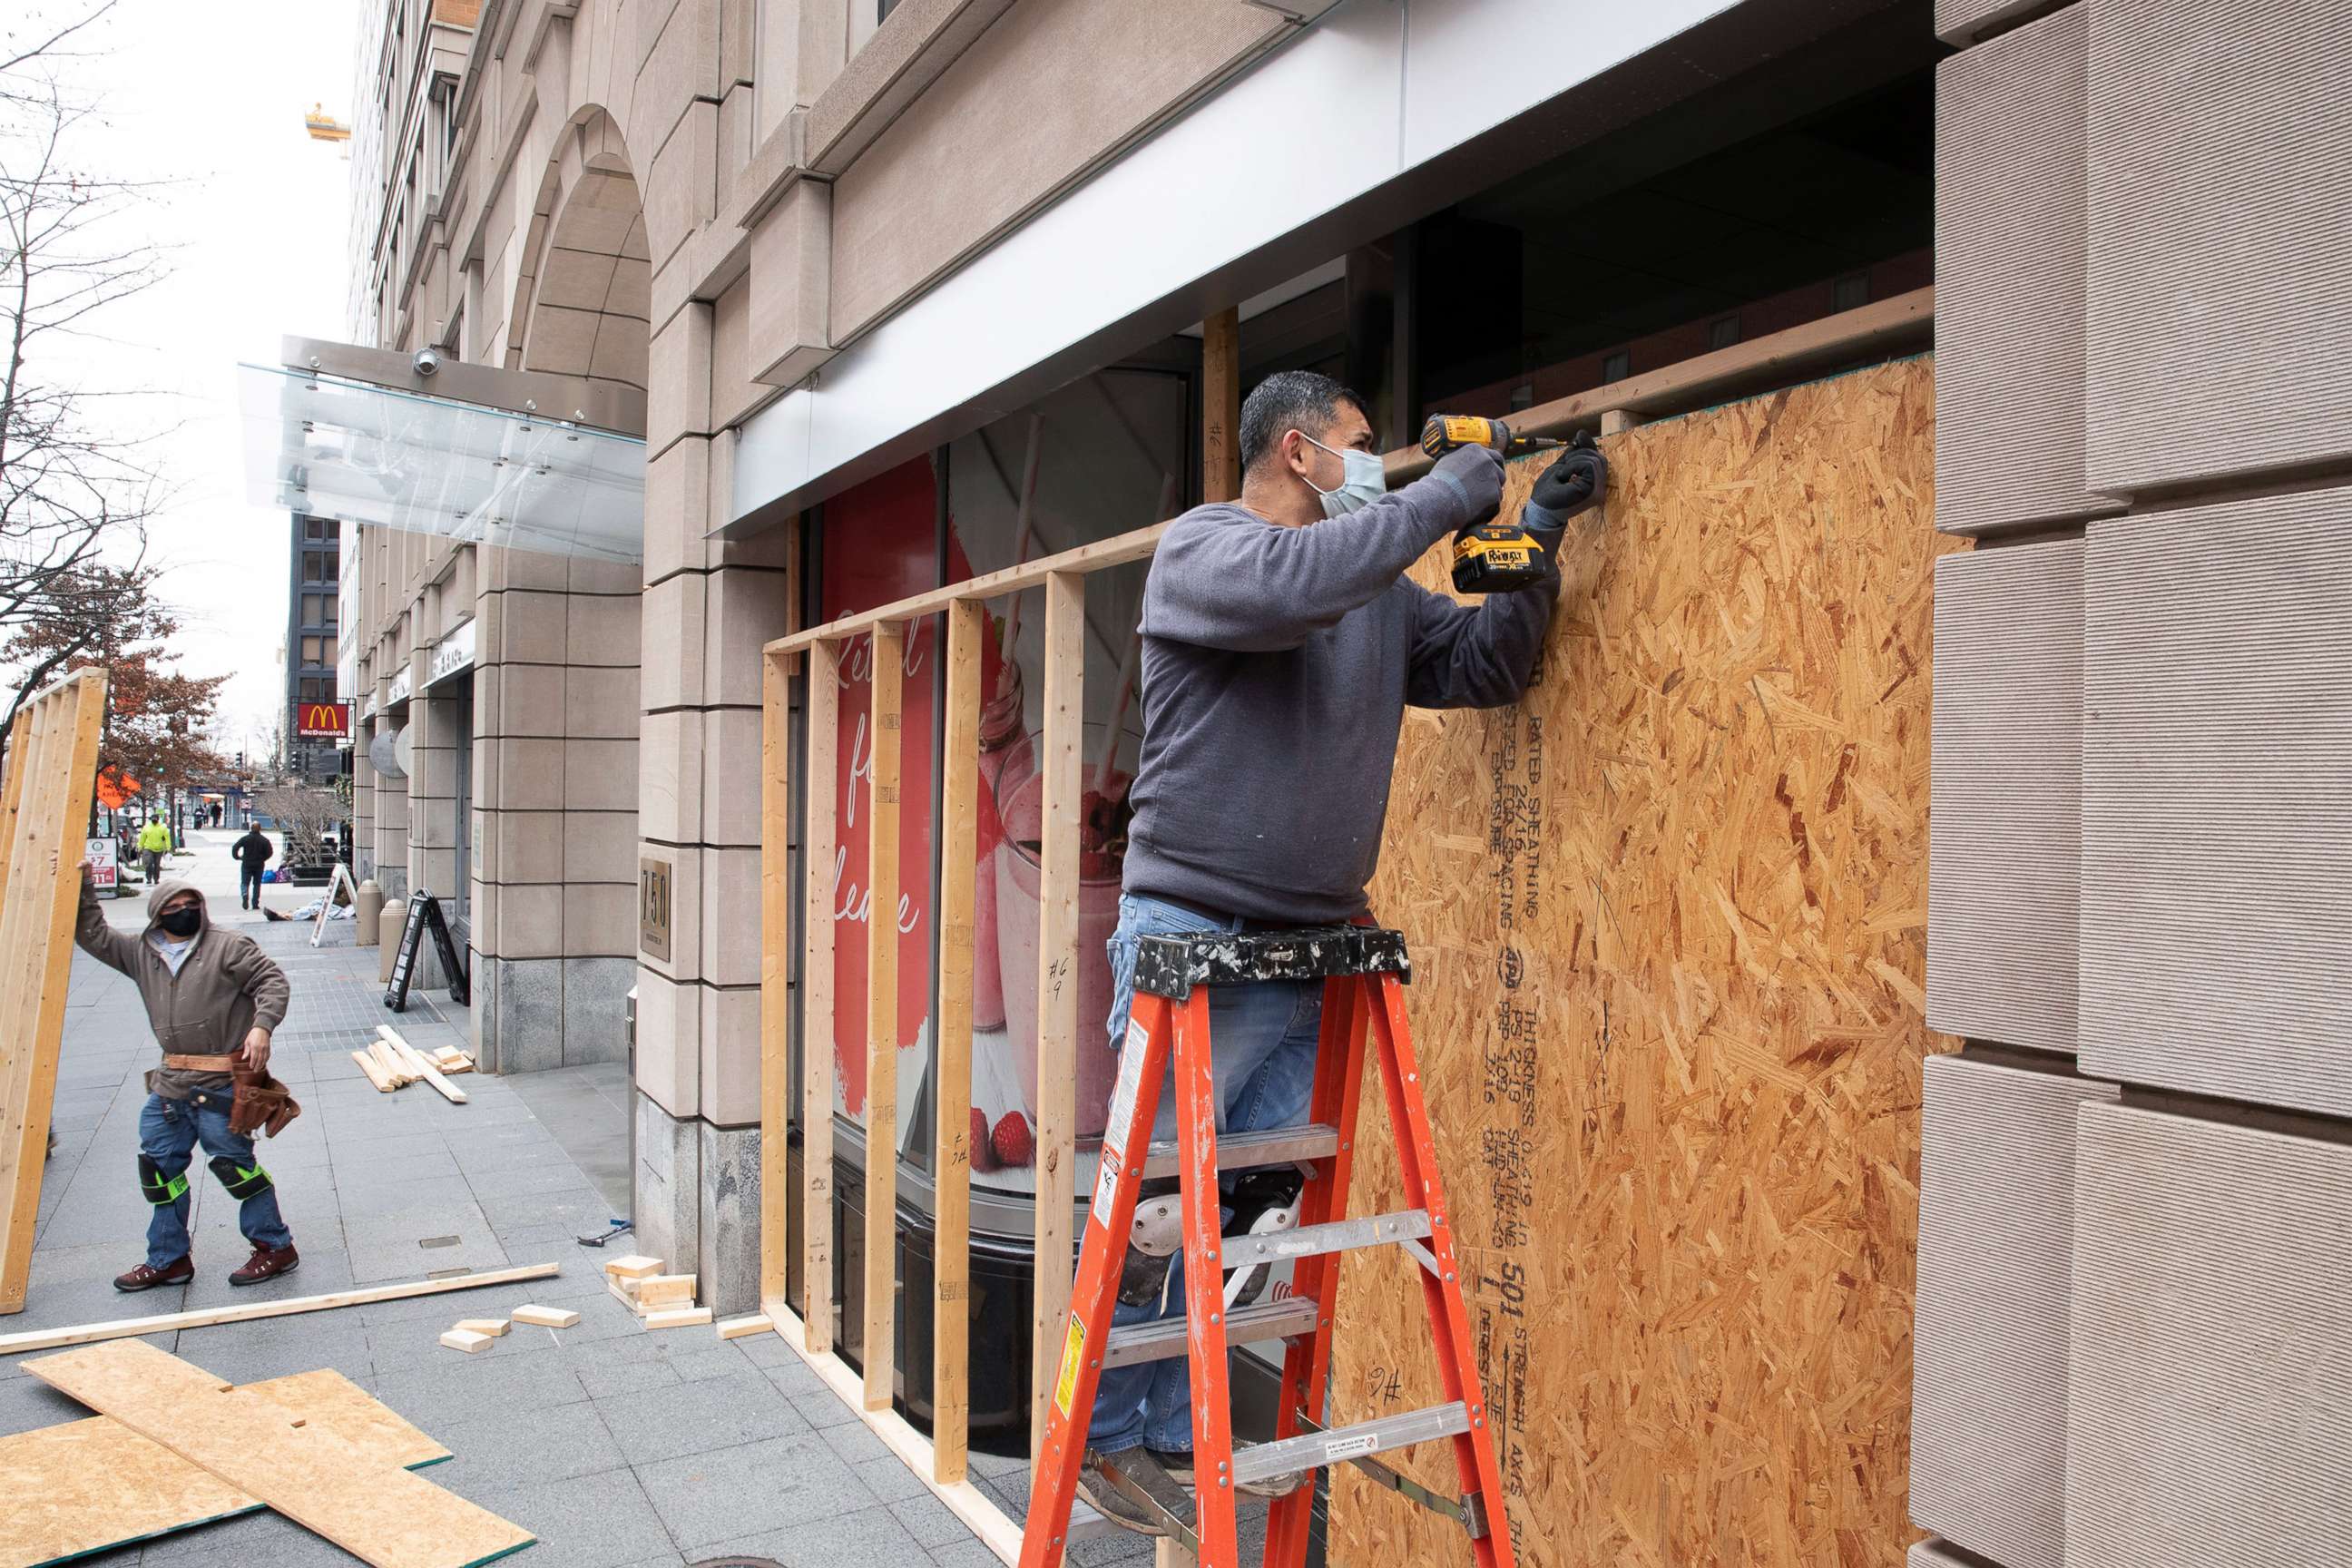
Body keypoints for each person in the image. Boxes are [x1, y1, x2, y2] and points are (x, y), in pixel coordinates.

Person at [1074, 371, 1603, 1532]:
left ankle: (1172, 1424)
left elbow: (1484, 668)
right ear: (1303, 452)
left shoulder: (1370, 587)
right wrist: (1443, 496)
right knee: (1164, 1203)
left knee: (1247, 1207)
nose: (1385, 469)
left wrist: (1535, 535)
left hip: (1312, 947)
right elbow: (1293, 593)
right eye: (1367, 449)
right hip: (1193, 935)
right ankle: (1110, 1443)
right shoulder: (1206, 553)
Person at [75, 869, 302, 1290]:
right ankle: (169, 1259)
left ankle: (275, 1247)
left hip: (220, 1086)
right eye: (174, 908)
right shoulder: (141, 953)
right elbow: (93, 934)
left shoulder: (227, 946)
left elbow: (271, 981)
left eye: (190, 905)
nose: (184, 913)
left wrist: (262, 1026)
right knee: (159, 1170)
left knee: (237, 1168)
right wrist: (82, 883)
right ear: (158, 916)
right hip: (169, 1086)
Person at [230, 821, 275, 911]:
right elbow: (270, 852)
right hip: (259, 864)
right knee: (257, 884)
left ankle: (244, 895)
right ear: (260, 829)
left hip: (247, 863)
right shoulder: (264, 840)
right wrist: (263, 858)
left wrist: (237, 857)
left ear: (251, 828)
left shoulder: (245, 839)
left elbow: (235, 847)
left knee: (244, 882)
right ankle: (255, 903)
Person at [134, 817, 171, 881]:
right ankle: (149, 878)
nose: (154, 821)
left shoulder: (163, 828)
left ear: (158, 820)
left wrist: (168, 847)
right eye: (153, 819)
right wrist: (140, 846)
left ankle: (156, 879)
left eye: (155, 819)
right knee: (149, 863)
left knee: (157, 865)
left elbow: (167, 838)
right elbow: (142, 838)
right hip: (148, 848)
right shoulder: (146, 827)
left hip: (159, 849)